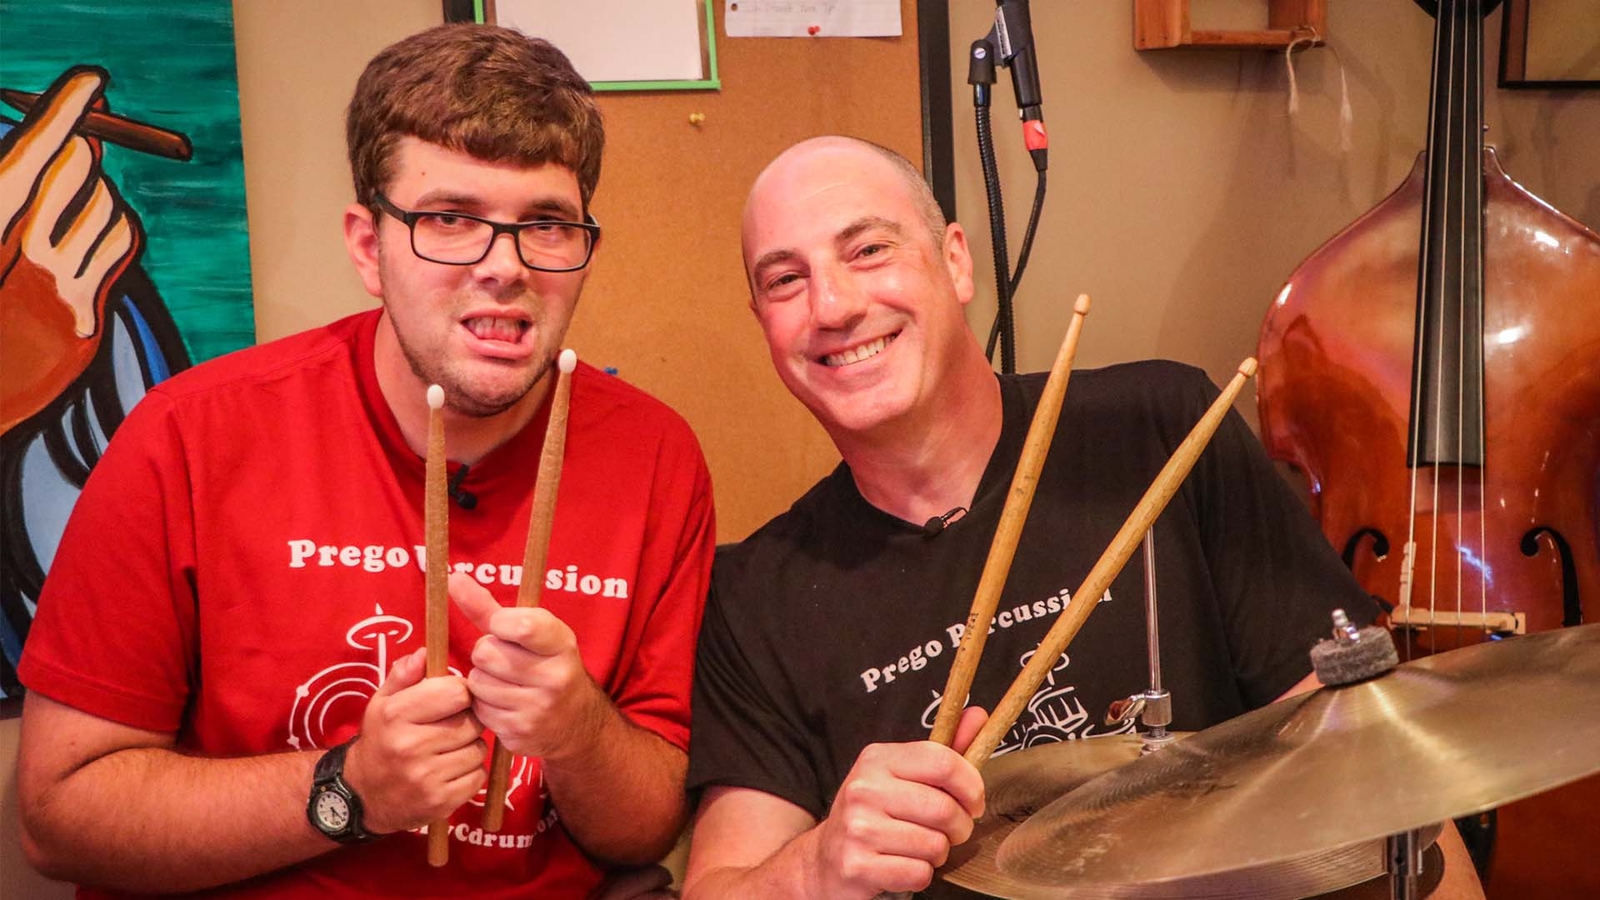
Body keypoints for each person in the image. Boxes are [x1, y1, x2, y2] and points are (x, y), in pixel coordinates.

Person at [680, 136, 1482, 899]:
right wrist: (817, 866)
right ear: (763, 322)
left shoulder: (1161, 429)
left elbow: (1374, 766)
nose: (833, 304)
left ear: (956, 260)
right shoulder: (757, 594)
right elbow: (721, 884)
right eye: (785, 279)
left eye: (868, 250)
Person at [16, 25, 714, 899]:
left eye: (545, 224)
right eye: (450, 220)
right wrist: (348, 789)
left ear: (585, 251)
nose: (505, 268)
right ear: (365, 246)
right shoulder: (191, 435)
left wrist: (576, 730)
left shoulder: (656, 457)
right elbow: (59, 816)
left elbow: (646, 825)